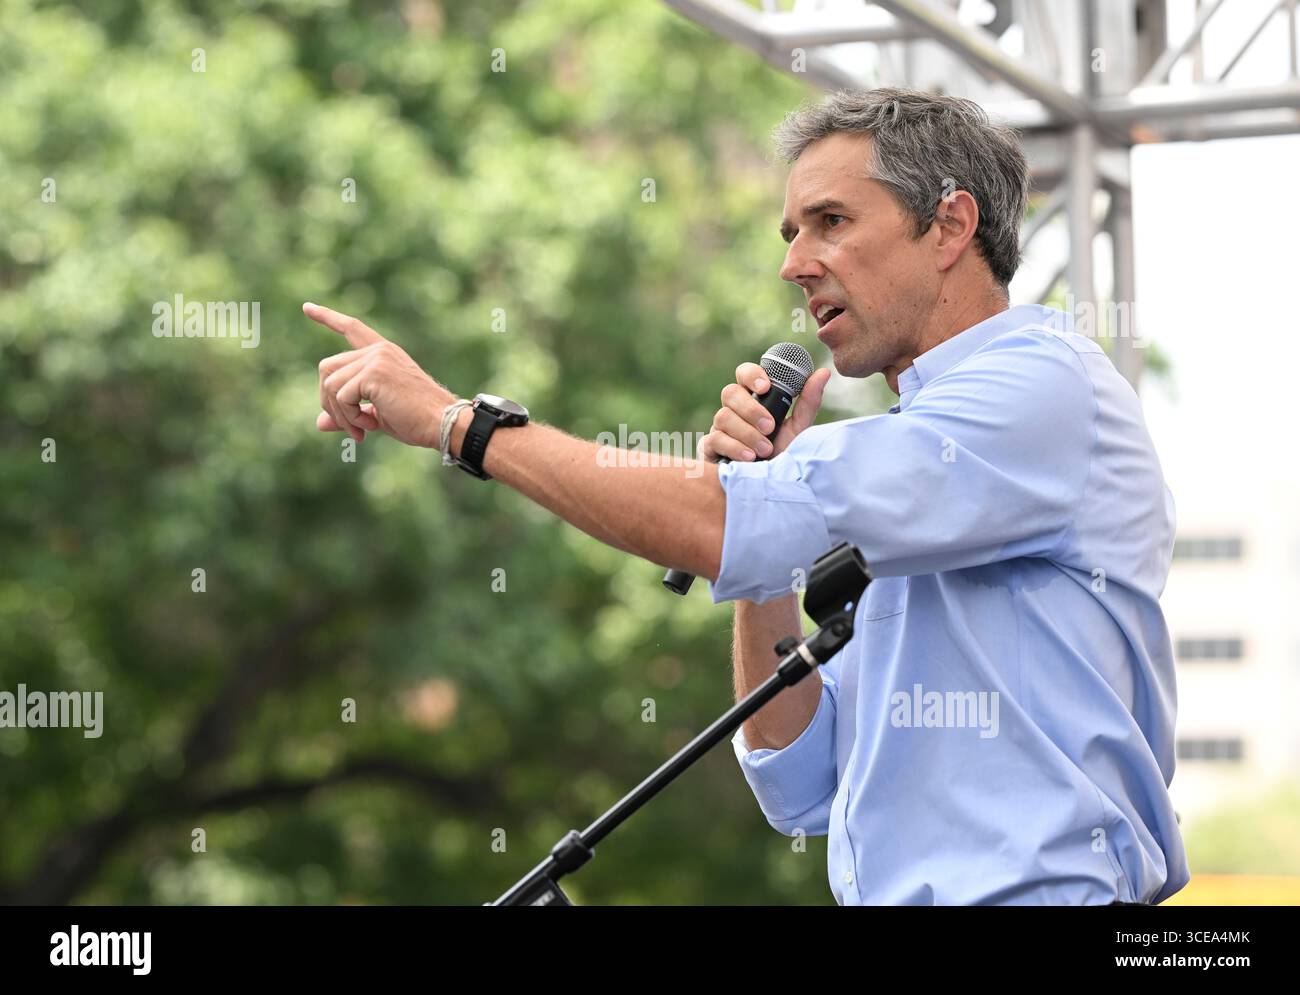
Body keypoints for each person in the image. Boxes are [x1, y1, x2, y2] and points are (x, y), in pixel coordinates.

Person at [305, 86, 1188, 905]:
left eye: (830, 221)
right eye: (789, 234)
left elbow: (725, 525)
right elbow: (796, 774)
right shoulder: (918, 460)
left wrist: (463, 425)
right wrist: (765, 513)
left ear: (950, 224)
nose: (795, 265)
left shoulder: (1039, 392)